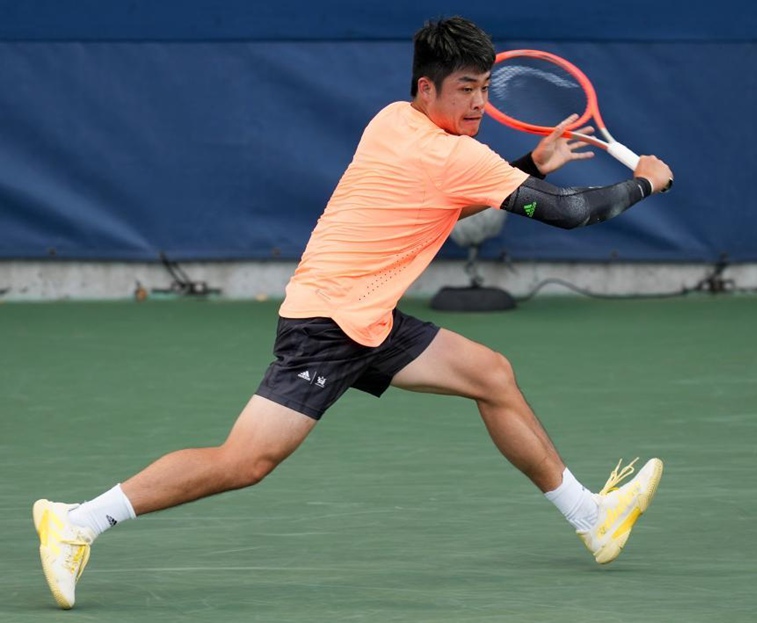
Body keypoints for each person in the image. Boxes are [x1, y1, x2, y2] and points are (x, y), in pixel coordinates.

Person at [33, 16, 674, 610]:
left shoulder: (394, 120)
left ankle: (592, 518)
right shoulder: (454, 155)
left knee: (491, 375)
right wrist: (644, 181)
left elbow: (452, 196)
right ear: (427, 88)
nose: (480, 103)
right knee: (244, 463)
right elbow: (568, 212)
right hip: (329, 325)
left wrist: (529, 165)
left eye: (486, 88)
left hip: (367, 314)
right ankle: (77, 522)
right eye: (466, 89)